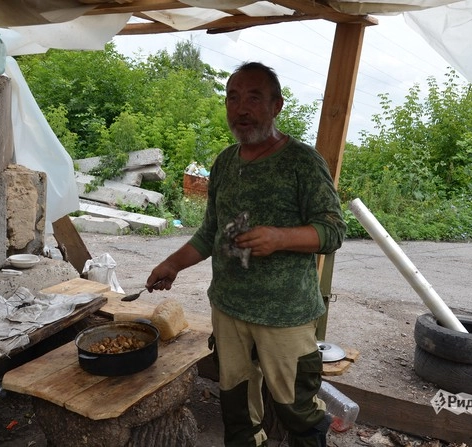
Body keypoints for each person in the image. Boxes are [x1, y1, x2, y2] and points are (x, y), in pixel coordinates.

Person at [144, 62, 346, 447]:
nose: (241, 108)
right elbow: (211, 233)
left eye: (253, 98)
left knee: (297, 411)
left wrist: (280, 237)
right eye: (233, 98)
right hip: (229, 310)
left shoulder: (302, 162)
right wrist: (172, 264)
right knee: (236, 409)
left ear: (276, 106)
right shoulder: (224, 162)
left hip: (285, 314)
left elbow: (334, 231)